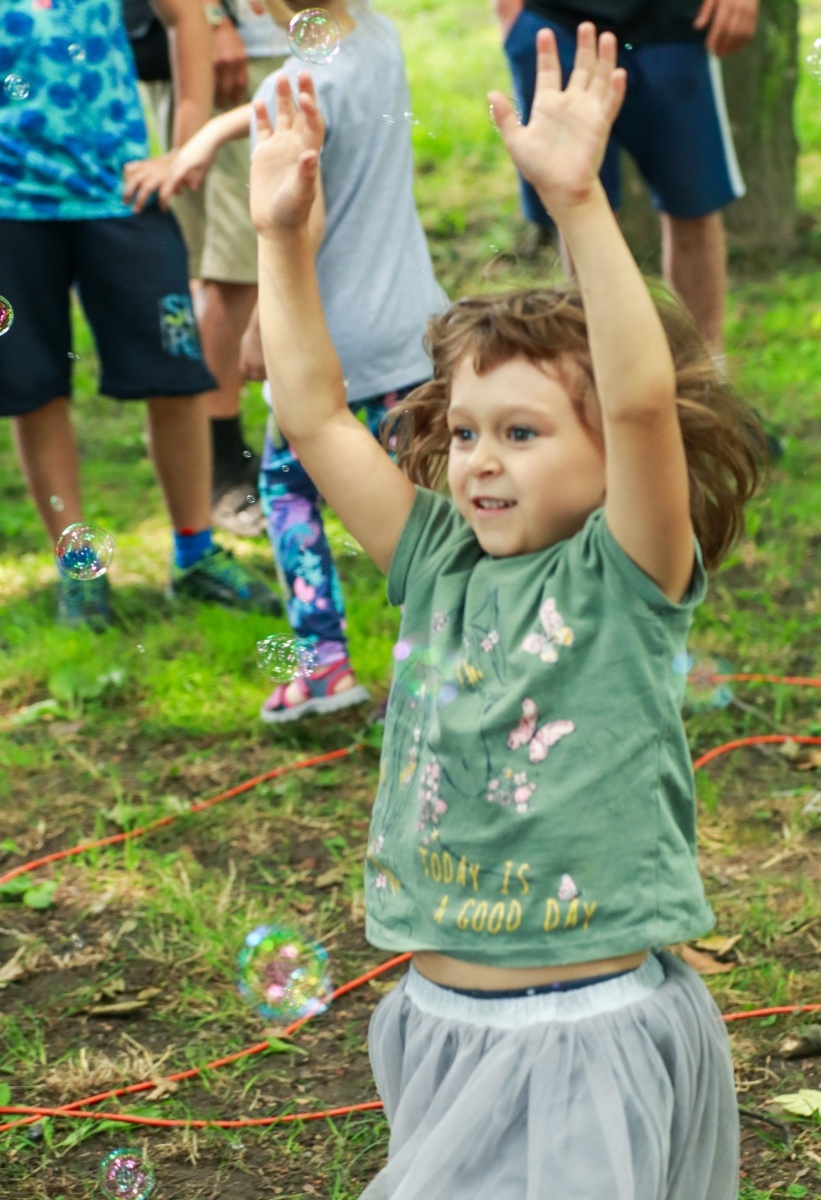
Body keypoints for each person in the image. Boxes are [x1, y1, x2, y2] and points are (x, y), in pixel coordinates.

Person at [249, 25, 764, 1197]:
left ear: (606, 459)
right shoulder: (433, 554)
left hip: (582, 1031)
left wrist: (577, 198)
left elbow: (637, 404)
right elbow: (319, 418)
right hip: (438, 1023)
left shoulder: (624, 573)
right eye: (467, 431)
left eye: (522, 434)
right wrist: (283, 243)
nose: (478, 459)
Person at [163, 0, 447, 722]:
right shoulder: (376, 41)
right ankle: (455, 657)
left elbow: (300, 225)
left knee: (287, 491)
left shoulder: (286, 92)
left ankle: (321, 666)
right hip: (414, 332)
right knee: (432, 507)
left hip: (330, 349)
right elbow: (287, 94)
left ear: (257, 6)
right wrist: (209, 139)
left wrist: (261, 322)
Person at [0, 0, 280, 628]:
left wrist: (183, 148)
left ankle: (195, 554)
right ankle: (79, 569)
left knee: (175, 377)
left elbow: (186, 18)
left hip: (121, 193)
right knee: (35, 388)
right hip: (10, 207)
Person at [494, 0, 758, 357]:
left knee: (695, 205)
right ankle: (596, 368)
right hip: (554, 18)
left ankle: (705, 380)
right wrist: (512, 17)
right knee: (576, 207)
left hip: (677, 22)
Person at [143, 0, 290, 537]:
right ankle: (219, 465)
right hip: (237, 54)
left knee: (241, 263)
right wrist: (213, 18)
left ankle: (232, 451)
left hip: (289, 49)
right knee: (233, 269)